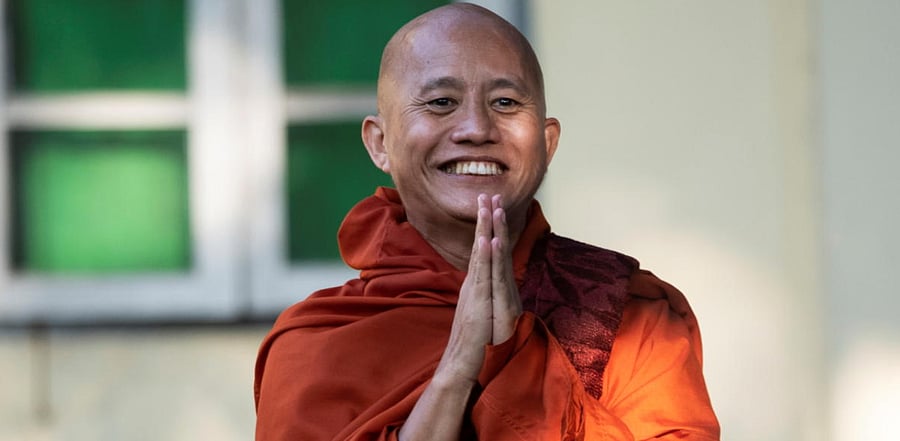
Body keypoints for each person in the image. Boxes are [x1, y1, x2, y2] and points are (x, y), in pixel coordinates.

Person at [254, 3, 720, 440]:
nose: (476, 128)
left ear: (546, 141)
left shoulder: (632, 311)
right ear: (379, 143)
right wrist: (458, 370)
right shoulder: (317, 346)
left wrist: (517, 358)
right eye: (440, 102)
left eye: (505, 103)